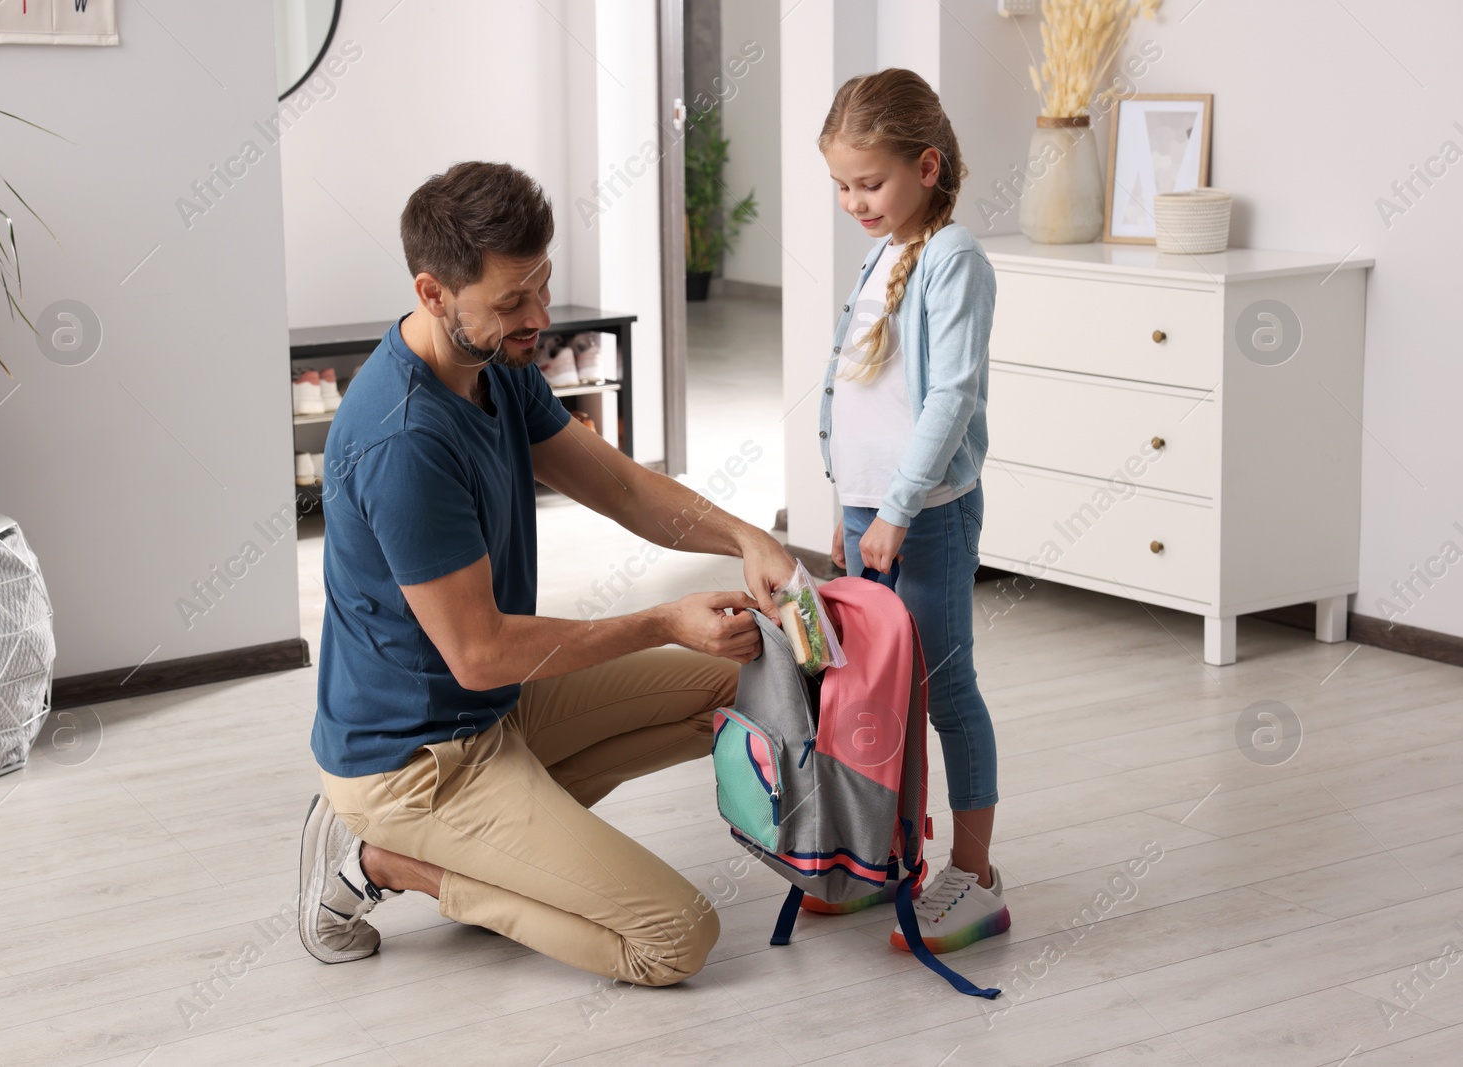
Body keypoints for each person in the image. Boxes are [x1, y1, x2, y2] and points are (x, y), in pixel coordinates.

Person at [297, 161, 798, 988]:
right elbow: (481, 653)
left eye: (543, 289)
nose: (538, 320)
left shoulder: (497, 365)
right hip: (417, 763)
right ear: (433, 293)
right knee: (674, 938)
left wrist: (745, 537)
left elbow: (622, 486)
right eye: (510, 303)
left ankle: (510, 847)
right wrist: (661, 621)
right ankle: (385, 859)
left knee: (735, 679)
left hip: (498, 714)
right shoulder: (403, 440)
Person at [815, 69, 1008, 954]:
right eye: (842, 186)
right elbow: (861, 397)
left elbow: (949, 398)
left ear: (926, 166)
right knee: (878, 696)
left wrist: (893, 510)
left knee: (945, 693)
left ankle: (975, 879)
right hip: (872, 517)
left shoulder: (951, 257)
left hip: (924, 518)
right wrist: (847, 505)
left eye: (869, 182)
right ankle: (888, 862)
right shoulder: (882, 248)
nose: (855, 200)